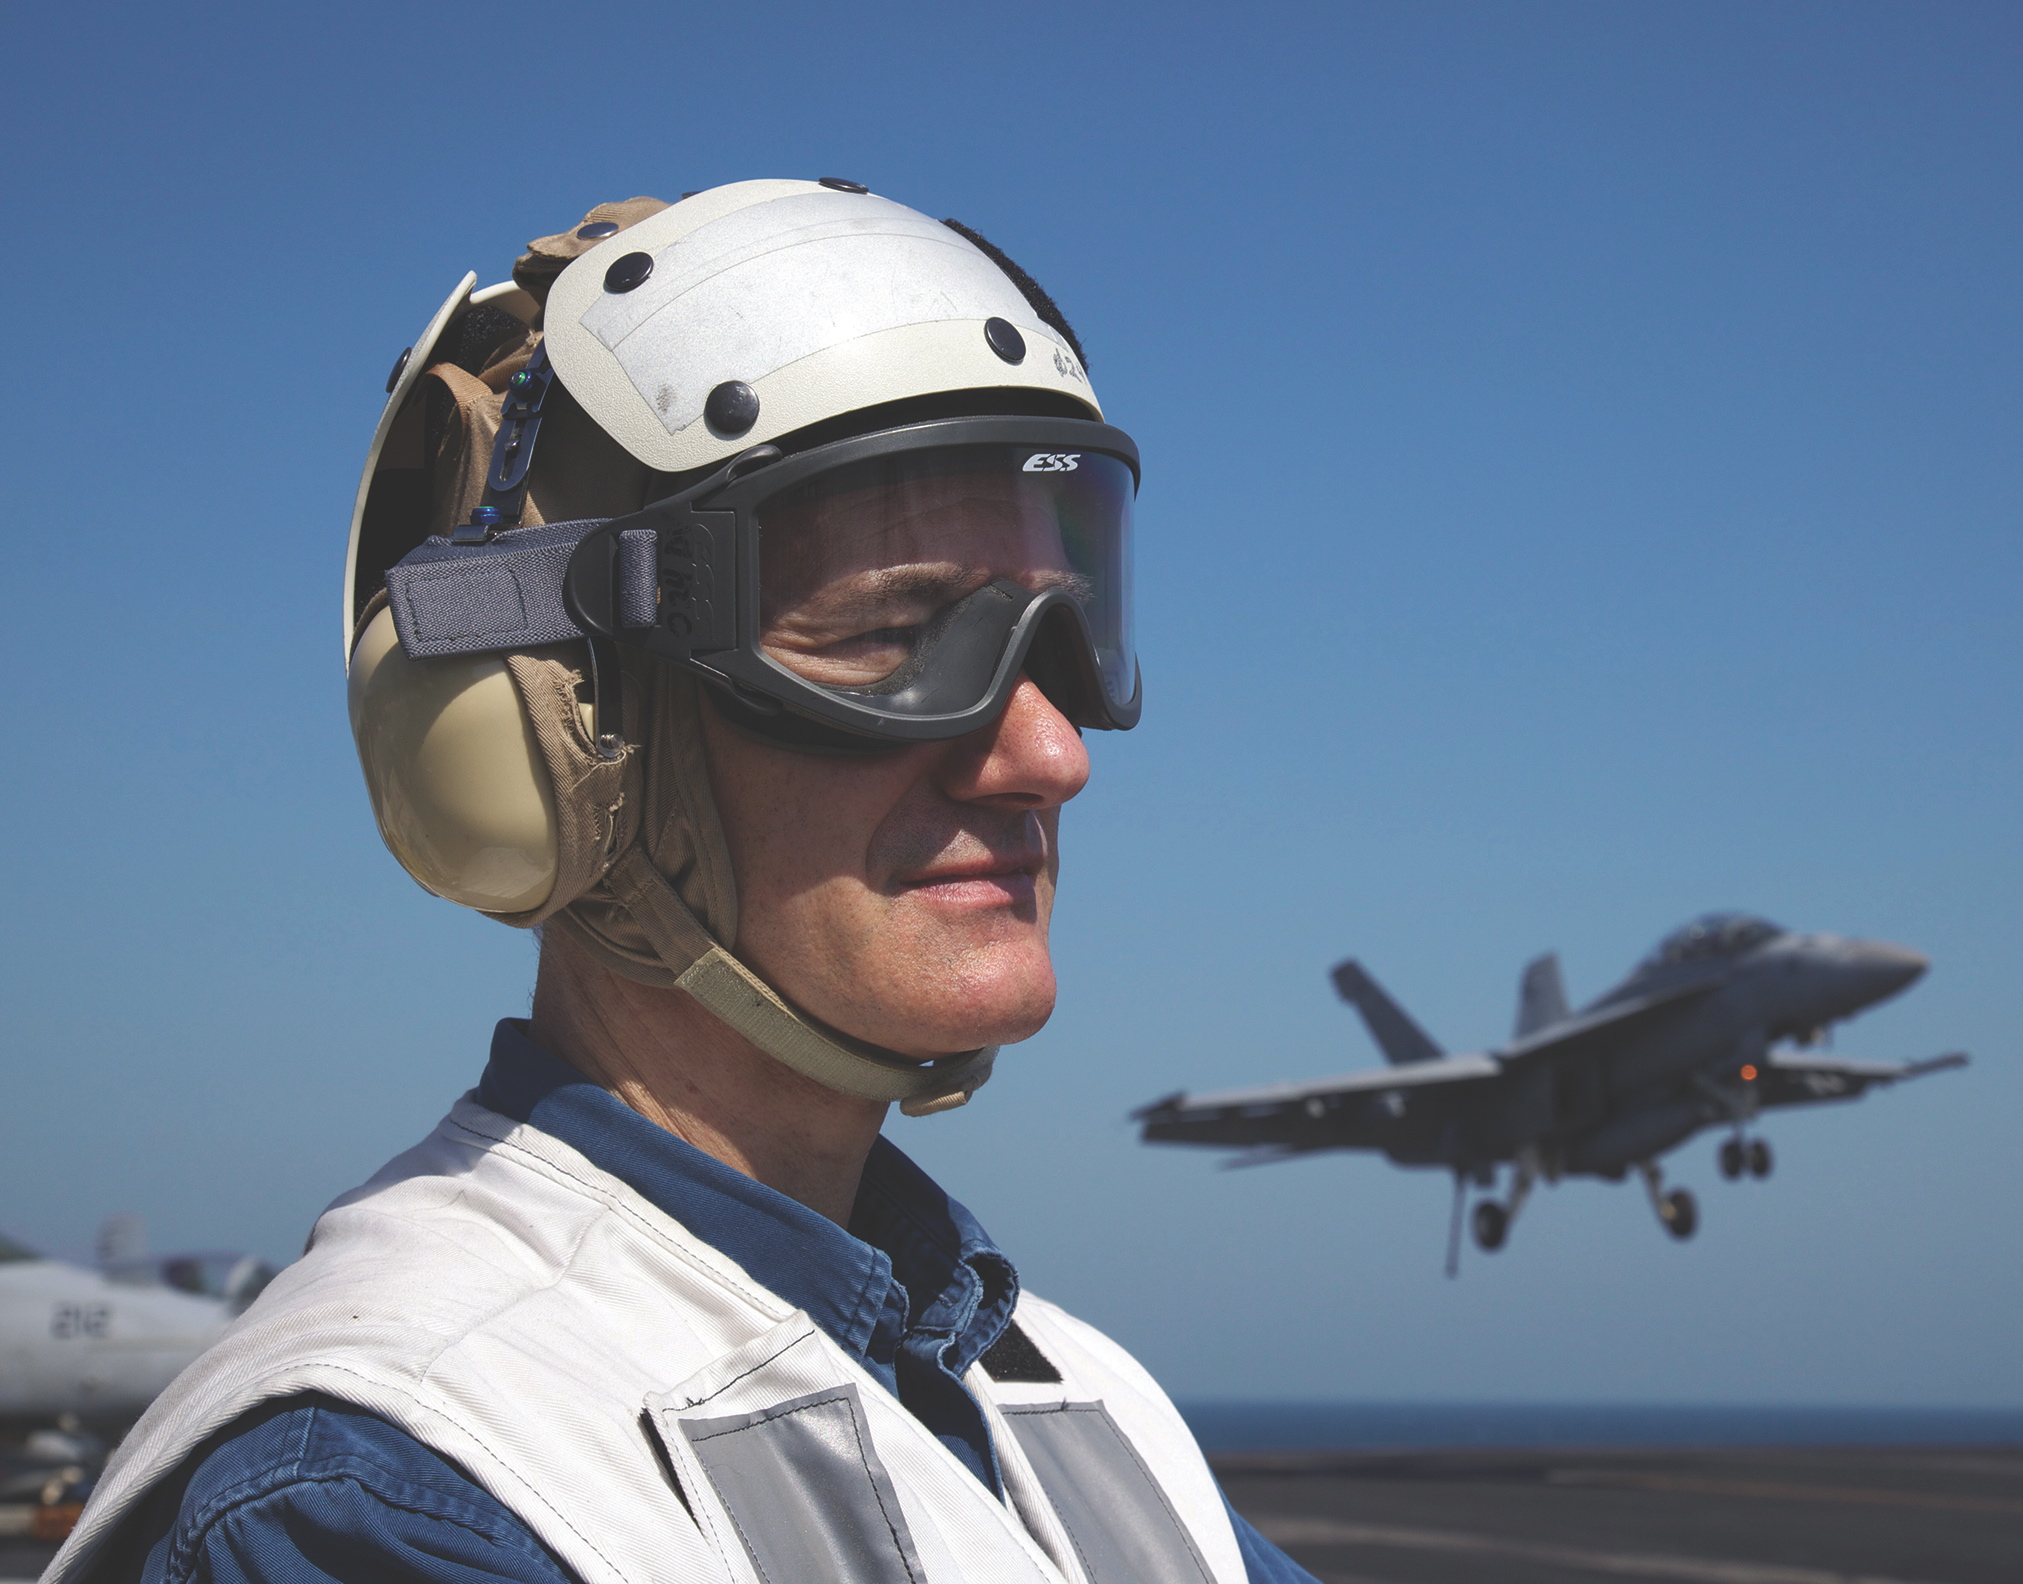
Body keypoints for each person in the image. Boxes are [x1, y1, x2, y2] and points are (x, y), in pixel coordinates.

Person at [47, 180, 1319, 1584]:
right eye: (900, 634)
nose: (1048, 751)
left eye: (1067, 635)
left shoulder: (1074, 1408)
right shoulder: (396, 1489)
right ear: (551, 740)